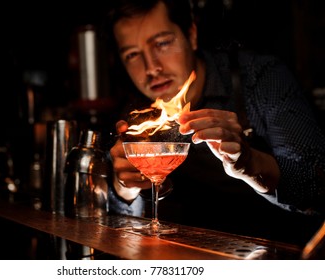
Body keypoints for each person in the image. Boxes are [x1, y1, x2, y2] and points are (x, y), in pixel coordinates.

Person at [105, 0, 325, 246]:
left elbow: (316, 187)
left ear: (192, 35)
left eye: (162, 43)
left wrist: (249, 163)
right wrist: (124, 187)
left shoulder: (259, 78)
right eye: (133, 54)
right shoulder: (133, 115)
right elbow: (111, 218)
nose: (151, 68)